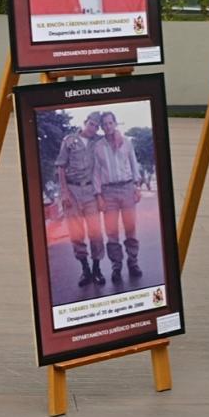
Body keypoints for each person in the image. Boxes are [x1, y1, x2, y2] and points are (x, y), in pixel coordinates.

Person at [55, 112, 107, 288]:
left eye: (96, 126)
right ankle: (85, 269)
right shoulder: (69, 140)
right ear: (85, 122)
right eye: (91, 124)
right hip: (73, 190)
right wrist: (64, 193)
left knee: (96, 232)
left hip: (90, 191)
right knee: (76, 233)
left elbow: (112, 135)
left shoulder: (97, 141)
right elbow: (61, 167)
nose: (93, 128)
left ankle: (97, 269)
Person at [92, 111, 141, 285]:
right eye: (104, 124)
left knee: (130, 228)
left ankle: (133, 262)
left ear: (115, 123)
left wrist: (137, 187)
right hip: (108, 192)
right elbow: (96, 172)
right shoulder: (98, 147)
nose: (107, 127)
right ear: (102, 127)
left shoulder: (126, 143)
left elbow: (133, 164)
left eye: (110, 123)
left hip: (127, 188)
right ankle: (116, 266)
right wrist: (99, 196)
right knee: (112, 231)